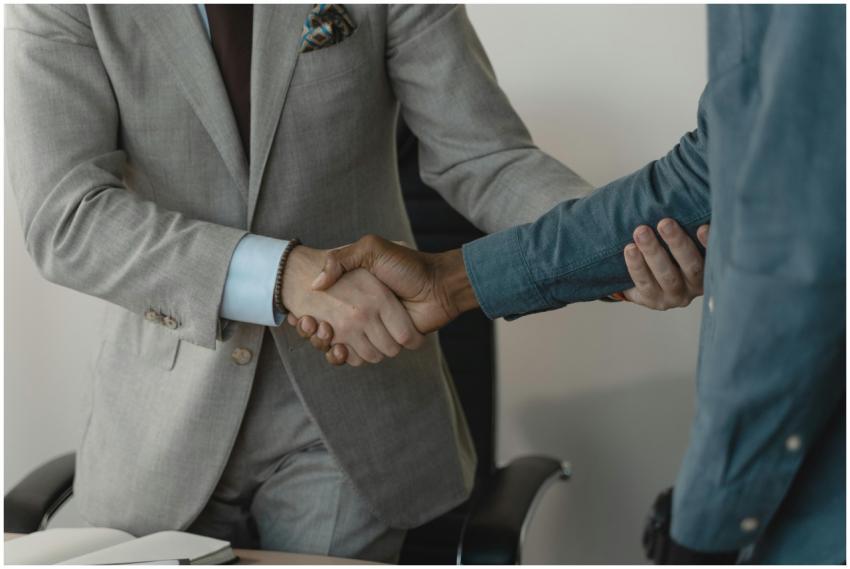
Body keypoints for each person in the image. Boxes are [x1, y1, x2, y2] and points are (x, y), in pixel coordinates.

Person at [6, 4, 706, 561]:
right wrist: (282, 272)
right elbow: (66, 215)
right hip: (160, 418)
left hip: (359, 404)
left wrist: (609, 255)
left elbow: (487, 158)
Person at [294, 5, 845, 563]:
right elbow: (722, 167)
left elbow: (790, 245)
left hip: (358, 436)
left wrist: (616, 264)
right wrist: (288, 272)